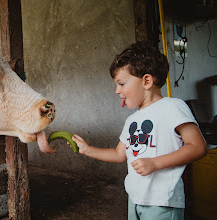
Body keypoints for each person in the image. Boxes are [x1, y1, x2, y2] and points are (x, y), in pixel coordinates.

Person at [71, 41, 207, 220]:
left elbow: (198, 147)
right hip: (135, 199)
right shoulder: (132, 119)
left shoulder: (173, 107)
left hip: (162, 202)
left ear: (147, 81)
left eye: (121, 84)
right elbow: (119, 154)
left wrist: (155, 163)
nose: (117, 91)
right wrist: (87, 149)